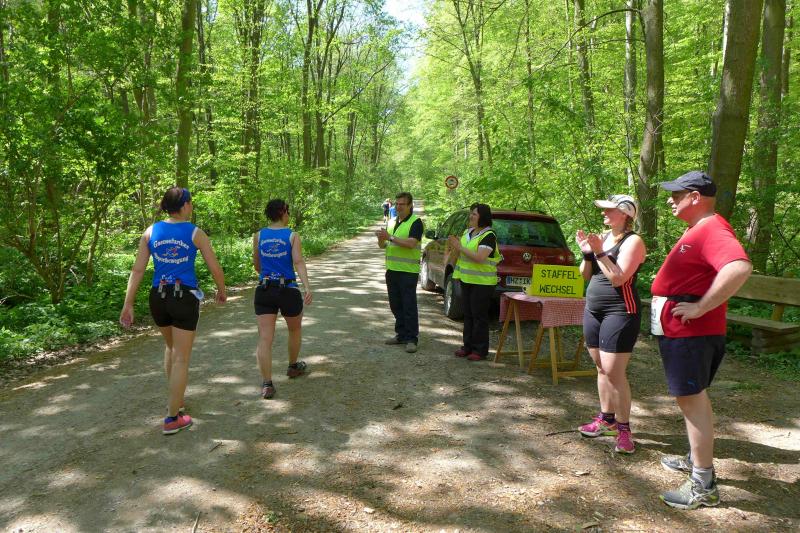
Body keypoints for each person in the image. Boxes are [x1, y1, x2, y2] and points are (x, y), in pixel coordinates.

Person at [651, 171, 751, 509]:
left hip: (692, 332)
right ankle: (696, 460)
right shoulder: (698, 228)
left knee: (691, 401)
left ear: (695, 197)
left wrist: (700, 307)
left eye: (676, 195)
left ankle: (703, 485)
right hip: (684, 331)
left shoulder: (712, 228)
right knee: (694, 399)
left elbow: (738, 267)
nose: (670, 200)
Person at [120, 187, 227, 435]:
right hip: (183, 297)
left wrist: (128, 303)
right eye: (191, 202)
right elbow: (214, 266)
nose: (192, 206)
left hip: (158, 297)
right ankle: (171, 418)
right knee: (181, 357)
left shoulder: (150, 231)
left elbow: (137, 270)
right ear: (185, 205)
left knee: (171, 348)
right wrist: (221, 289)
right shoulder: (195, 233)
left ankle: (176, 401)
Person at [575, 194, 646, 454]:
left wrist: (599, 252)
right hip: (593, 309)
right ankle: (607, 420)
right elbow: (585, 275)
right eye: (603, 210)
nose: (604, 214)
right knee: (601, 368)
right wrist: (587, 254)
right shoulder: (603, 238)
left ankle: (624, 429)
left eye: (609, 210)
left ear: (625, 214)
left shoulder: (633, 241)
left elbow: (618, 278)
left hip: (620, 310)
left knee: (614, 372)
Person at [253, 199, 313, 399]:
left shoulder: (259, 235)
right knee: (294, 329)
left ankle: (267, 384)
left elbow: (257, 265)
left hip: (264, 289)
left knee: (265, 338)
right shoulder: (292, 236)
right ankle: (293, 366)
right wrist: (307, 287)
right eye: (288, 211)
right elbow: (298, 261)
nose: (289, 214)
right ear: (282, 212)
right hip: (288, 289)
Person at [447, 203, 501, 361]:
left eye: (474, 214)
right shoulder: (468, 232)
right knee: (468, 314)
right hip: (466, 279)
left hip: (483, 282)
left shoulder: (489, 235)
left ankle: (480, 350)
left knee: (479, 316)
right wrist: (453, 248)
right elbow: (460, 254)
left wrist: (459, 247)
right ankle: (467, 346)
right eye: (470, 213)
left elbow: (479, 257)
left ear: (482, 217)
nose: (470, 216)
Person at [375, 192, 423, 353]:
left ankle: (412, 339)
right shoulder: (392, 221)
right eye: (397, 203)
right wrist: (381, 238)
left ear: (410, 206)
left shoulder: (416, 222)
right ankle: (401, 334)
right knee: (395, 304)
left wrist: (390, 237)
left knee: (408, 305)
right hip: (392, 270)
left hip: (408, 271)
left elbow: (411, 244)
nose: (398, 207)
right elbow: (383, 246)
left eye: (402, 204)